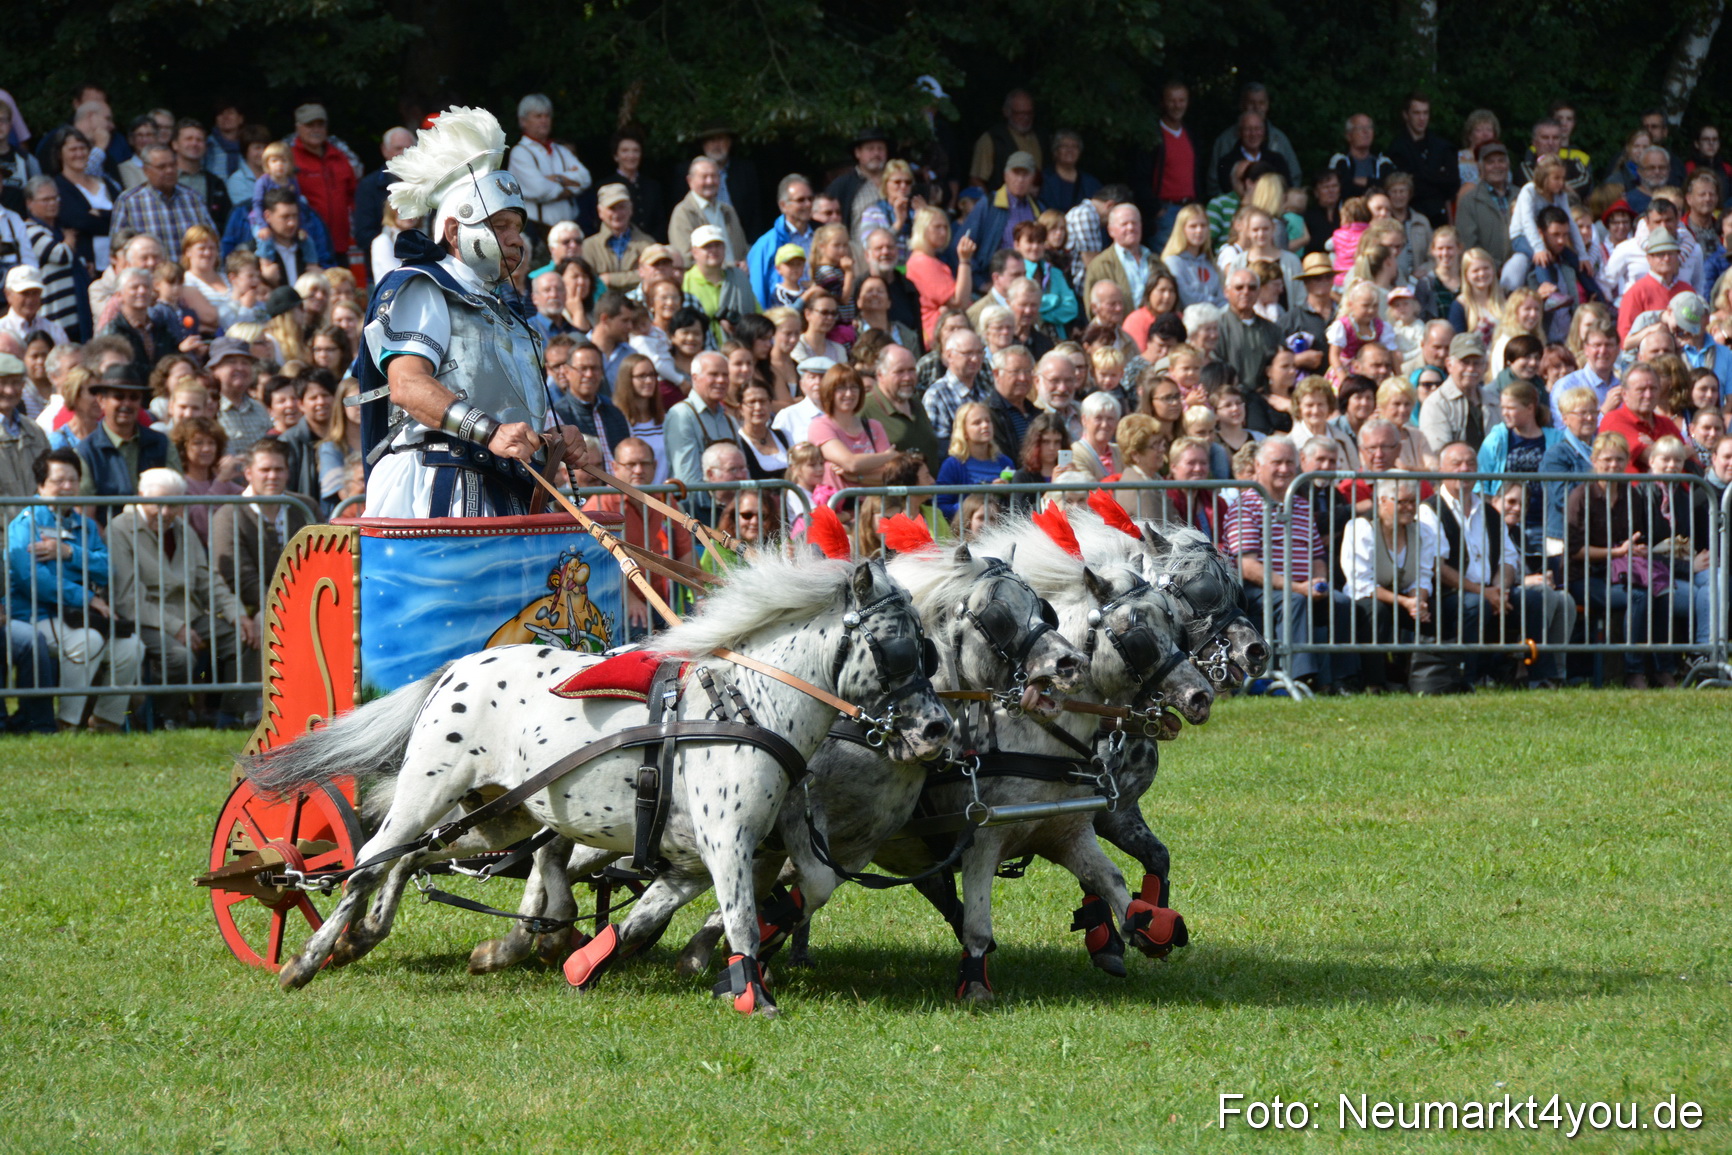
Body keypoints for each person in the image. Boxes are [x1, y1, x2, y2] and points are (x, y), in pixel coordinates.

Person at [352, 107, 585, 518]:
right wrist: (490, 432)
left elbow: (512, 417)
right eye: (500, 225)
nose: (516, 241)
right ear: (456, 230)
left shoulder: (513, 317)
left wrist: (553, 439)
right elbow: (407, 385)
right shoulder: (424, 285)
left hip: (510, 487)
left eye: (518, 227)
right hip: (438, 482)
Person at [109, 466, 259, 722]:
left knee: (246, 639)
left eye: (174, 505)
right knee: (179, 657)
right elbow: (128, 598)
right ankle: (161, 717)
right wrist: (175, 627)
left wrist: (238, 614)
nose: (166, 513)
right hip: (145, 618)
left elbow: (207, 579)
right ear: (141, 496)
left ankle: (230, 715)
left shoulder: (182, 529)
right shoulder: (120, 529)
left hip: (189, 613)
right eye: (158, 505)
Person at [7, 448, 141, 732]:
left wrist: (69, 552)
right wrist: (87, 597)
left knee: (132, 647)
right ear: (41, 485)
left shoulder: (87, 526)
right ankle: (67, 722)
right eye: (58, 480)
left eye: (73, 479)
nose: (67, 486)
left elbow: (107, 569)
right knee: (87, 641)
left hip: (78, 616)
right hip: (34, 615)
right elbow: (32, 579)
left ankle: (106, 722)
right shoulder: (25, 524)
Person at [1227, 436, 1359, 691]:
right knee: (1294, 601)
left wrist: (1319, 581)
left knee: (1341, 602)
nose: (1285, 469)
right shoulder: (1245, 505)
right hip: (1258, 591)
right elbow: (1247, 566)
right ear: (1258, 465)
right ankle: (1300, 677)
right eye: (1277, 462)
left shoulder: (1300, 506)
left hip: (1302, 587)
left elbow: (1317, 555)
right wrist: (1297, 588)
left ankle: (1344, 680)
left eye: (1290, 463)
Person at [1562, 433, 1678, 687]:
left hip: (1622, 571)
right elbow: (1574, 551)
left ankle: (1663, 668)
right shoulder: (1581, 496)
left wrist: (1637, 548)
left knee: (1661, 591)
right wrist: (1616, 552)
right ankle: (1633, 671)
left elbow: (1635, 536)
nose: (1613, 465)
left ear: (1627, 460)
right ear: (1594, 460)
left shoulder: (1631, 494)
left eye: (1619, 459)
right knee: (1638, 597)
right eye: (1606, 460)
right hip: (1584, 576)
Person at [506, 95, 590, 240]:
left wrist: (555, 179)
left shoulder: (560, 150)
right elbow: (540, 189)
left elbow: (586, 178)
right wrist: (570, 184)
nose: (544, 120)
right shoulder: (520, 153)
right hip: (538, 232)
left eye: (547, 116)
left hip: (571, 229)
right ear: (523, 121)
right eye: (538, 116)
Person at [109, 145, 214, 256]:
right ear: (146, 170)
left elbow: (211, 238)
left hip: (187, 271)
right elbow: (117, 249)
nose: (169, 171)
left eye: (173, 165)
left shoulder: (193, 198)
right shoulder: (129, 201)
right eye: (161, 167)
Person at [956, 151, 1044, 279]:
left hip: (1029, 282)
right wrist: (979, 282)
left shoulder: (1038, 208)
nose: (1020, 179)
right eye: (1016, 173)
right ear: (1005, 175)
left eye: (1025, 174)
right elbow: (960, 244)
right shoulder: (989, 204)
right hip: (993, 281)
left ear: (1033, 178)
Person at [859, 344, 940, 465]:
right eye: (899, 372)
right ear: (880, 375)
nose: (907, 377)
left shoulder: (916, 403)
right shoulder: (865, 408)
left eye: (911, 370)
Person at [1598, 360, 1683, 472]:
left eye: (1653, 389)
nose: (1648, 395)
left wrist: (1655, 446)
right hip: (1638, 488)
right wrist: (1679, 454)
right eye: (1641, 390)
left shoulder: (1666, 423)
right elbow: (1651, 458)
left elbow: (1693, 459)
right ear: (1624, 394)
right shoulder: (1614, 420)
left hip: (1679, 488)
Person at [745, 175, 815, 308]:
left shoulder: (821, 237)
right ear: (783, 205)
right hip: (783, 319)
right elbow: (757, 292)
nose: (808, 204)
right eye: (801, 200)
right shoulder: (765, 245)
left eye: (810, 199)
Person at [934, 400, 1011, 517]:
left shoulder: (1005, 462)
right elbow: (941, 506)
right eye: (977, 423)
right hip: (966, 532)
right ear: (964, 431)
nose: (985, 425)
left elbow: (1017, 503)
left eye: (988, 421)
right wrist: (972, 507)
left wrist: (1008, 493)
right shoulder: (953, 464)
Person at [1454, 141, 1514, 268]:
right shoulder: (1469, 201)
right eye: (1490, 162)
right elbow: (1468, 246)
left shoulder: (1522, 196)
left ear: (1508, 165)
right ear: (1480, 167)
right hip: (1485, 274)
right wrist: (1494, 267)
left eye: (1501, 161)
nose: (1497, 166)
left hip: (1521, 271)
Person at [922, 327, 987, 442]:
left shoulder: (985, 390)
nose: (975, 359)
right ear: (949, 356)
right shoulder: (936, 395)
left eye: (979, 352)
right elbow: (939, 447)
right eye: (968, 353)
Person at [0, 353, 49, 495]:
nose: (10, 391)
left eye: (15, 382)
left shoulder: (35, 430)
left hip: (34, 517)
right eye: (3, 383)